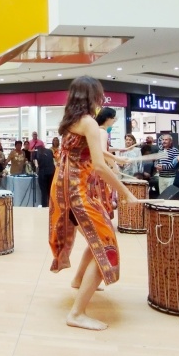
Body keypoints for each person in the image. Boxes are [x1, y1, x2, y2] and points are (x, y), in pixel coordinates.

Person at [49, 76, 141, 331]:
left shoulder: (70, 121)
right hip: (79, 194)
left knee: (97, 240)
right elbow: (99, 166)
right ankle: (77, 313)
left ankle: (79, 279)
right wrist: (126, 193)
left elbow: (88, 155)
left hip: (68, 191)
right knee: (107, 246)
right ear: (93, 96)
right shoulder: (89, 122)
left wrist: (115, 161)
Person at [34, 143, 55, 209]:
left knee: (44, 191)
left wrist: (36, 171)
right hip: (51, 172)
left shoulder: (36, 152)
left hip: (43, 173)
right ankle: (52, 207)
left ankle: (44, 206)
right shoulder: (50, 151)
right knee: (50, 191)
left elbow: (36, 164)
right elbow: (53, 161)